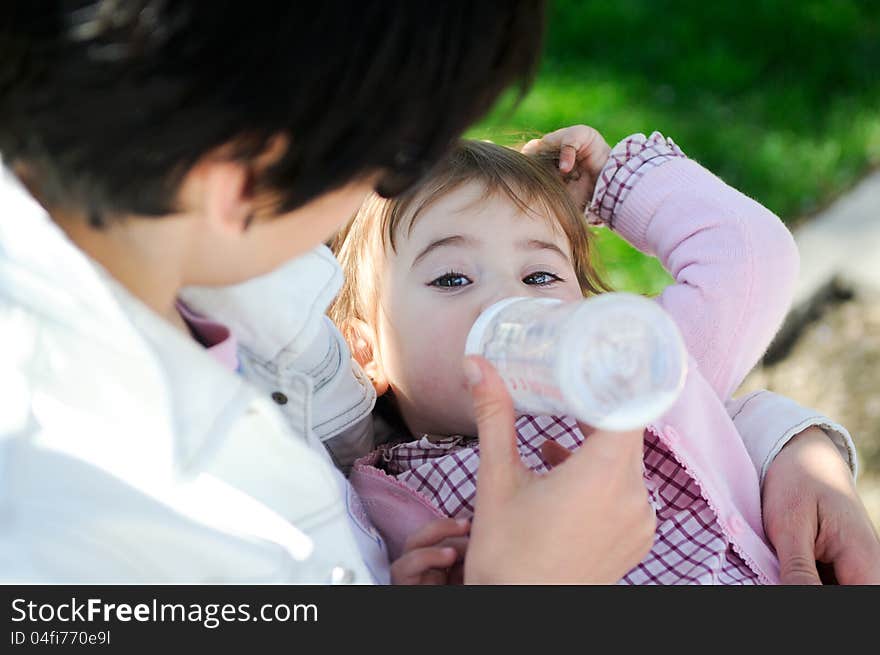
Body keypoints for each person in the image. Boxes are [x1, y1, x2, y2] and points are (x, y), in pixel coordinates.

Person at [0, 2, 877, 584]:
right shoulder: (68, 530)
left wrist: (788, 447)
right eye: (395, 153)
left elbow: (733, 298)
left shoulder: (259, 303)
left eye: (542, 271)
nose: (512, 299)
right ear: (242, 174)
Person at [329, 132, 879, 583]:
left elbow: (750, 257)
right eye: (452, 278)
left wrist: (614, 187)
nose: (510, 300)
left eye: (540, 275)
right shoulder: (379, 497)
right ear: (365, 352)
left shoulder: (631, 371)